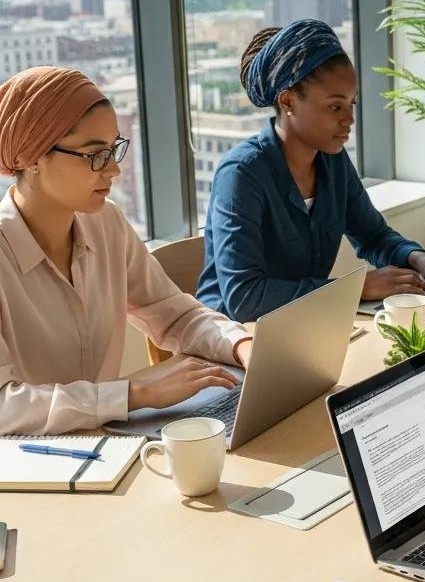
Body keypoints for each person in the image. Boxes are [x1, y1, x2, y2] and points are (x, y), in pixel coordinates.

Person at [0, 67, 252, 436]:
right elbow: (5, 406)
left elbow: (174, 315)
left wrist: (243, 346)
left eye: (114, 148)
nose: (114, 169)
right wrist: (133, 393)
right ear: (31, 157)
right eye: (95, 155)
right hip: (28, 471)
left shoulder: (106, 223)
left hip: (111, 448)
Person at [196, 20, 425, 321]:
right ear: (288, 101)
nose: (349, 119)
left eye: (352, 104)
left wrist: (419, 259)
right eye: (334, 107)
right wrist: (356, 288)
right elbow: (245, 298)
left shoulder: (332, 160)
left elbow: (373, 236)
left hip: (305, 324)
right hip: (233, 343)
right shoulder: (241, 175)